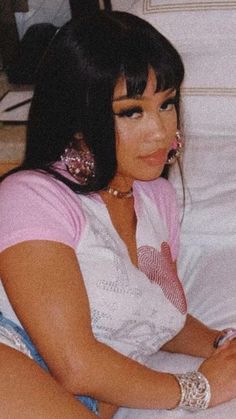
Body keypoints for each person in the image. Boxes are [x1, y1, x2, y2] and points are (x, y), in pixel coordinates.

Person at [0, 10, 236, 419]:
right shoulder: (32, 196)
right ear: (77, 117)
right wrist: (199, 388)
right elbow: (75, 365)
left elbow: (157, 317)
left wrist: (223, 344)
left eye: (167, 104)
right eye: (132, 112)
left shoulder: (158, 199)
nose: (161, 132)